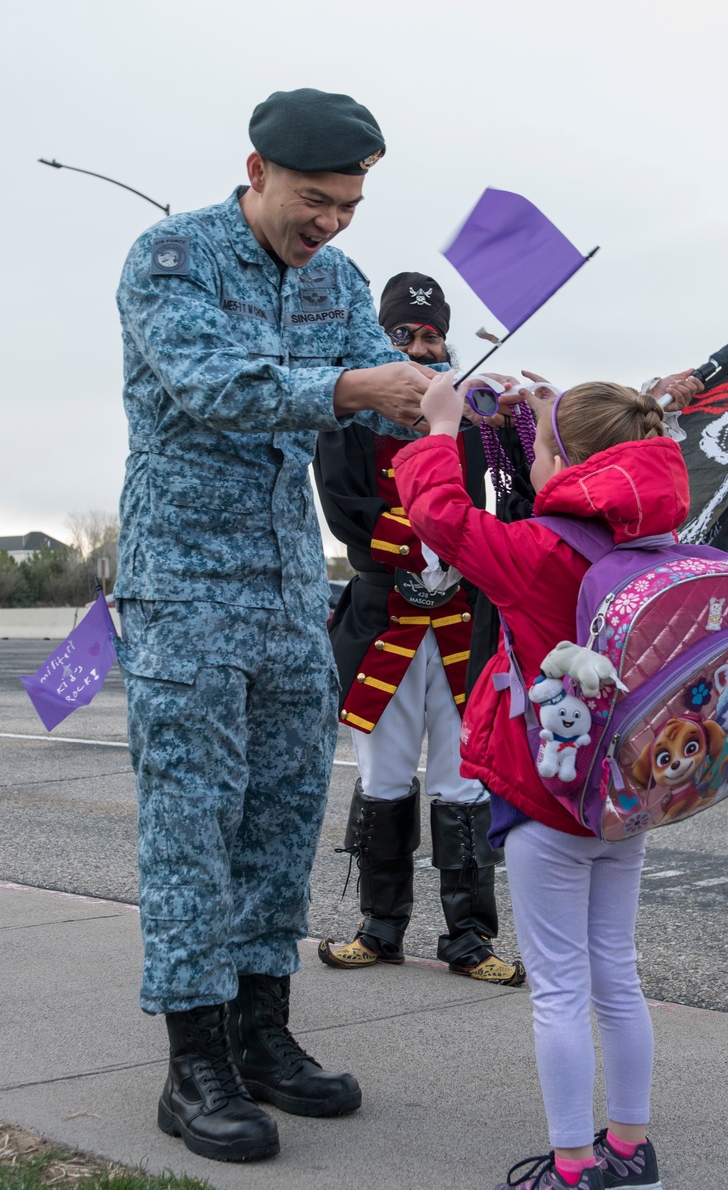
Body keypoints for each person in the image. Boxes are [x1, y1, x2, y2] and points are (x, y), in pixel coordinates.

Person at [114, 88, 437, 1164]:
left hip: (291, 585)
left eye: (348, 204)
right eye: (315, 199)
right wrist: (357, 381)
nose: (332, 222)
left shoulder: (338, 281)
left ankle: (262, 1031)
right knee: (192, 821)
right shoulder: (170, 258)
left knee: (284, 814)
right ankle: (193, 1057)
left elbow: (374, 393)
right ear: (255, 171)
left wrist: (448, 397)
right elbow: (219, 385)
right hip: (185, 585)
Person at [393, 375, 689, 1190]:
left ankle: (570, 1166)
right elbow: (570, 462)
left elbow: (440, 519)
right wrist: (554, 419)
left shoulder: (536, 553)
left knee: (558, 990)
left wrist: (440, 430)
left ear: (568, 460)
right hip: (622, 799)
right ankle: (631, 1152)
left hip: (546, 795)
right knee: (615, 974)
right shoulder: (655, 543)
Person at [313, 272, 525, 987]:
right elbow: (347, 515)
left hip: (465, 625)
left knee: (467, 779)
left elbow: (515, 506)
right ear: (382, 341)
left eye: (431, 335)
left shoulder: (478, 421)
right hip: (384, 624)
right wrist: (429, 534)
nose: (421, 346)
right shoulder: (344, 420)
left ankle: (468, 938)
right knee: (383, 776)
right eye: (403, 335)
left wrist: (514, 426)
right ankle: (380, 928)